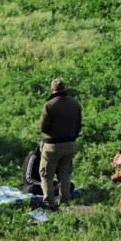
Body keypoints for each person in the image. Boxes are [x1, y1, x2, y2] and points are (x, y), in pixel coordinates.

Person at [38, 78, 82, 210]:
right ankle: (65, 203)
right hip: (69, 144)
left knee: (46, 175)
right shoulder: (75, 104)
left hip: (52, 146)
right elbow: (78, 126)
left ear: (53, 89)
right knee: (65, 174)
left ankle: (49, 204)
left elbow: (43, 128)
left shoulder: (49, 105)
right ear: (65, 88)